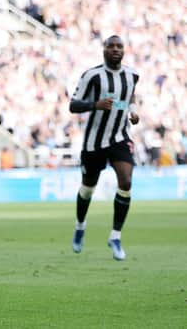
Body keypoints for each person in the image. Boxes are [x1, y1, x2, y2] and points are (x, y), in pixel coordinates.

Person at [69, 35, 140, 261]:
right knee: (88, 188)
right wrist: (94, 105)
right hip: (94, 142)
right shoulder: (92, 75)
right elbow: (73, 105)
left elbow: (130, 98)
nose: (116, 50)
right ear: (104, 50)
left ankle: (115, 236)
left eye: (120, 46)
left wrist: (133, 111)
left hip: (120, 137)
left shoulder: (132, 75)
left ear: (124, 51)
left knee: (126, 181)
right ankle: (80, 225)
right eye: (111, 46)